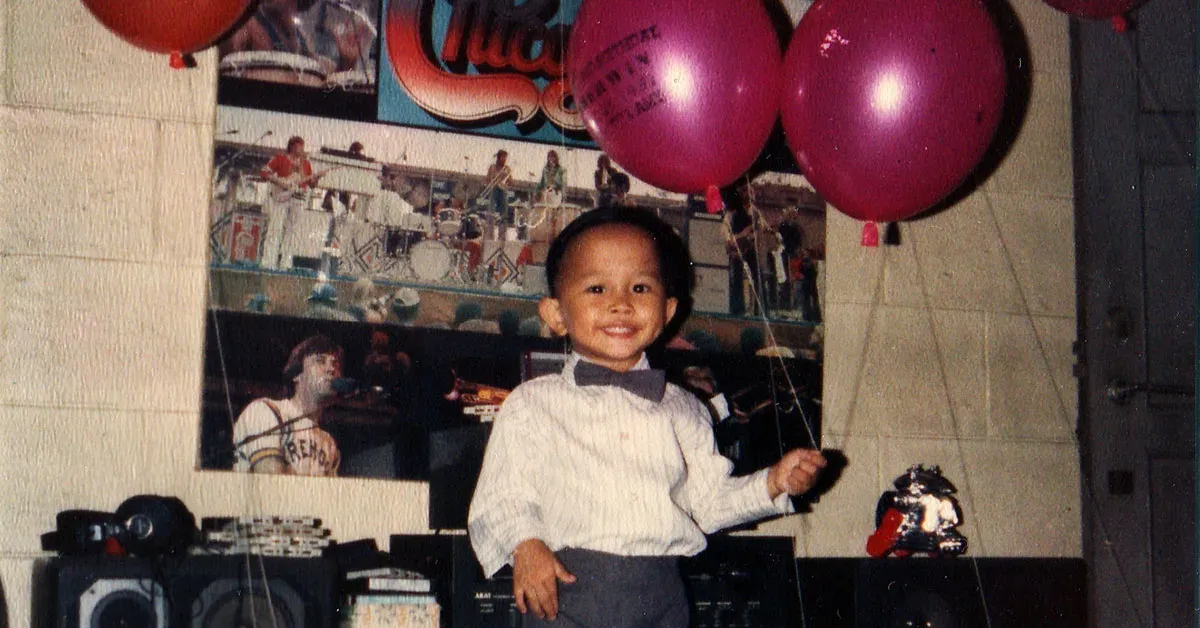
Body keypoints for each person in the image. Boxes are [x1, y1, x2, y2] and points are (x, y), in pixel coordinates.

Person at [467, 206, 827, 626]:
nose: (620, 304)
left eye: (640, 288)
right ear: (556, 314)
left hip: (661, 595)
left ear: (667, 311)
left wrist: (772, 483)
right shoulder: (531, 404)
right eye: (597, 289)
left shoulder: (685, 408)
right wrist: (525, 545)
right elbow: (503, 496)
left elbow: (707, 504)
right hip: (566, 591)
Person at [232, 335, 344, 476]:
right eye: (321, 361)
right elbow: (273, 483)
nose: (331, 369)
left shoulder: (329, 443)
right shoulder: (266, 410)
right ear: (296, 375)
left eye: (335, 364)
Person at [260, 136, 326, 269]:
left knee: (292, 232)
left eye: (302, 146)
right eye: (298, 146)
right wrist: (279, 181)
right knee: (275, 229)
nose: (301, 149)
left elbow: (311, 184)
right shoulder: (280, 158)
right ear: (291, 146)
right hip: (282, 197)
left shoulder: (306, 164)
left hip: (298, 198)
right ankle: (268, 262)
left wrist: (316, 178)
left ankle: (286, 263)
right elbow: (263, 172)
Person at [485, 150, 513, 228]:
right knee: (491, 208)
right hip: (493, 189)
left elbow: (510, 182)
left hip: (503, 190)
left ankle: (503, 226)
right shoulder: (492, 167)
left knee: (504, 210)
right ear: (498, 157)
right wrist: (490, 182)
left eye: (505, 157)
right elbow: (487, 179)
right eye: (503, 157)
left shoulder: (507, 168)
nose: (504, 159)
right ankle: (490, 225)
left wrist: (506, 179)